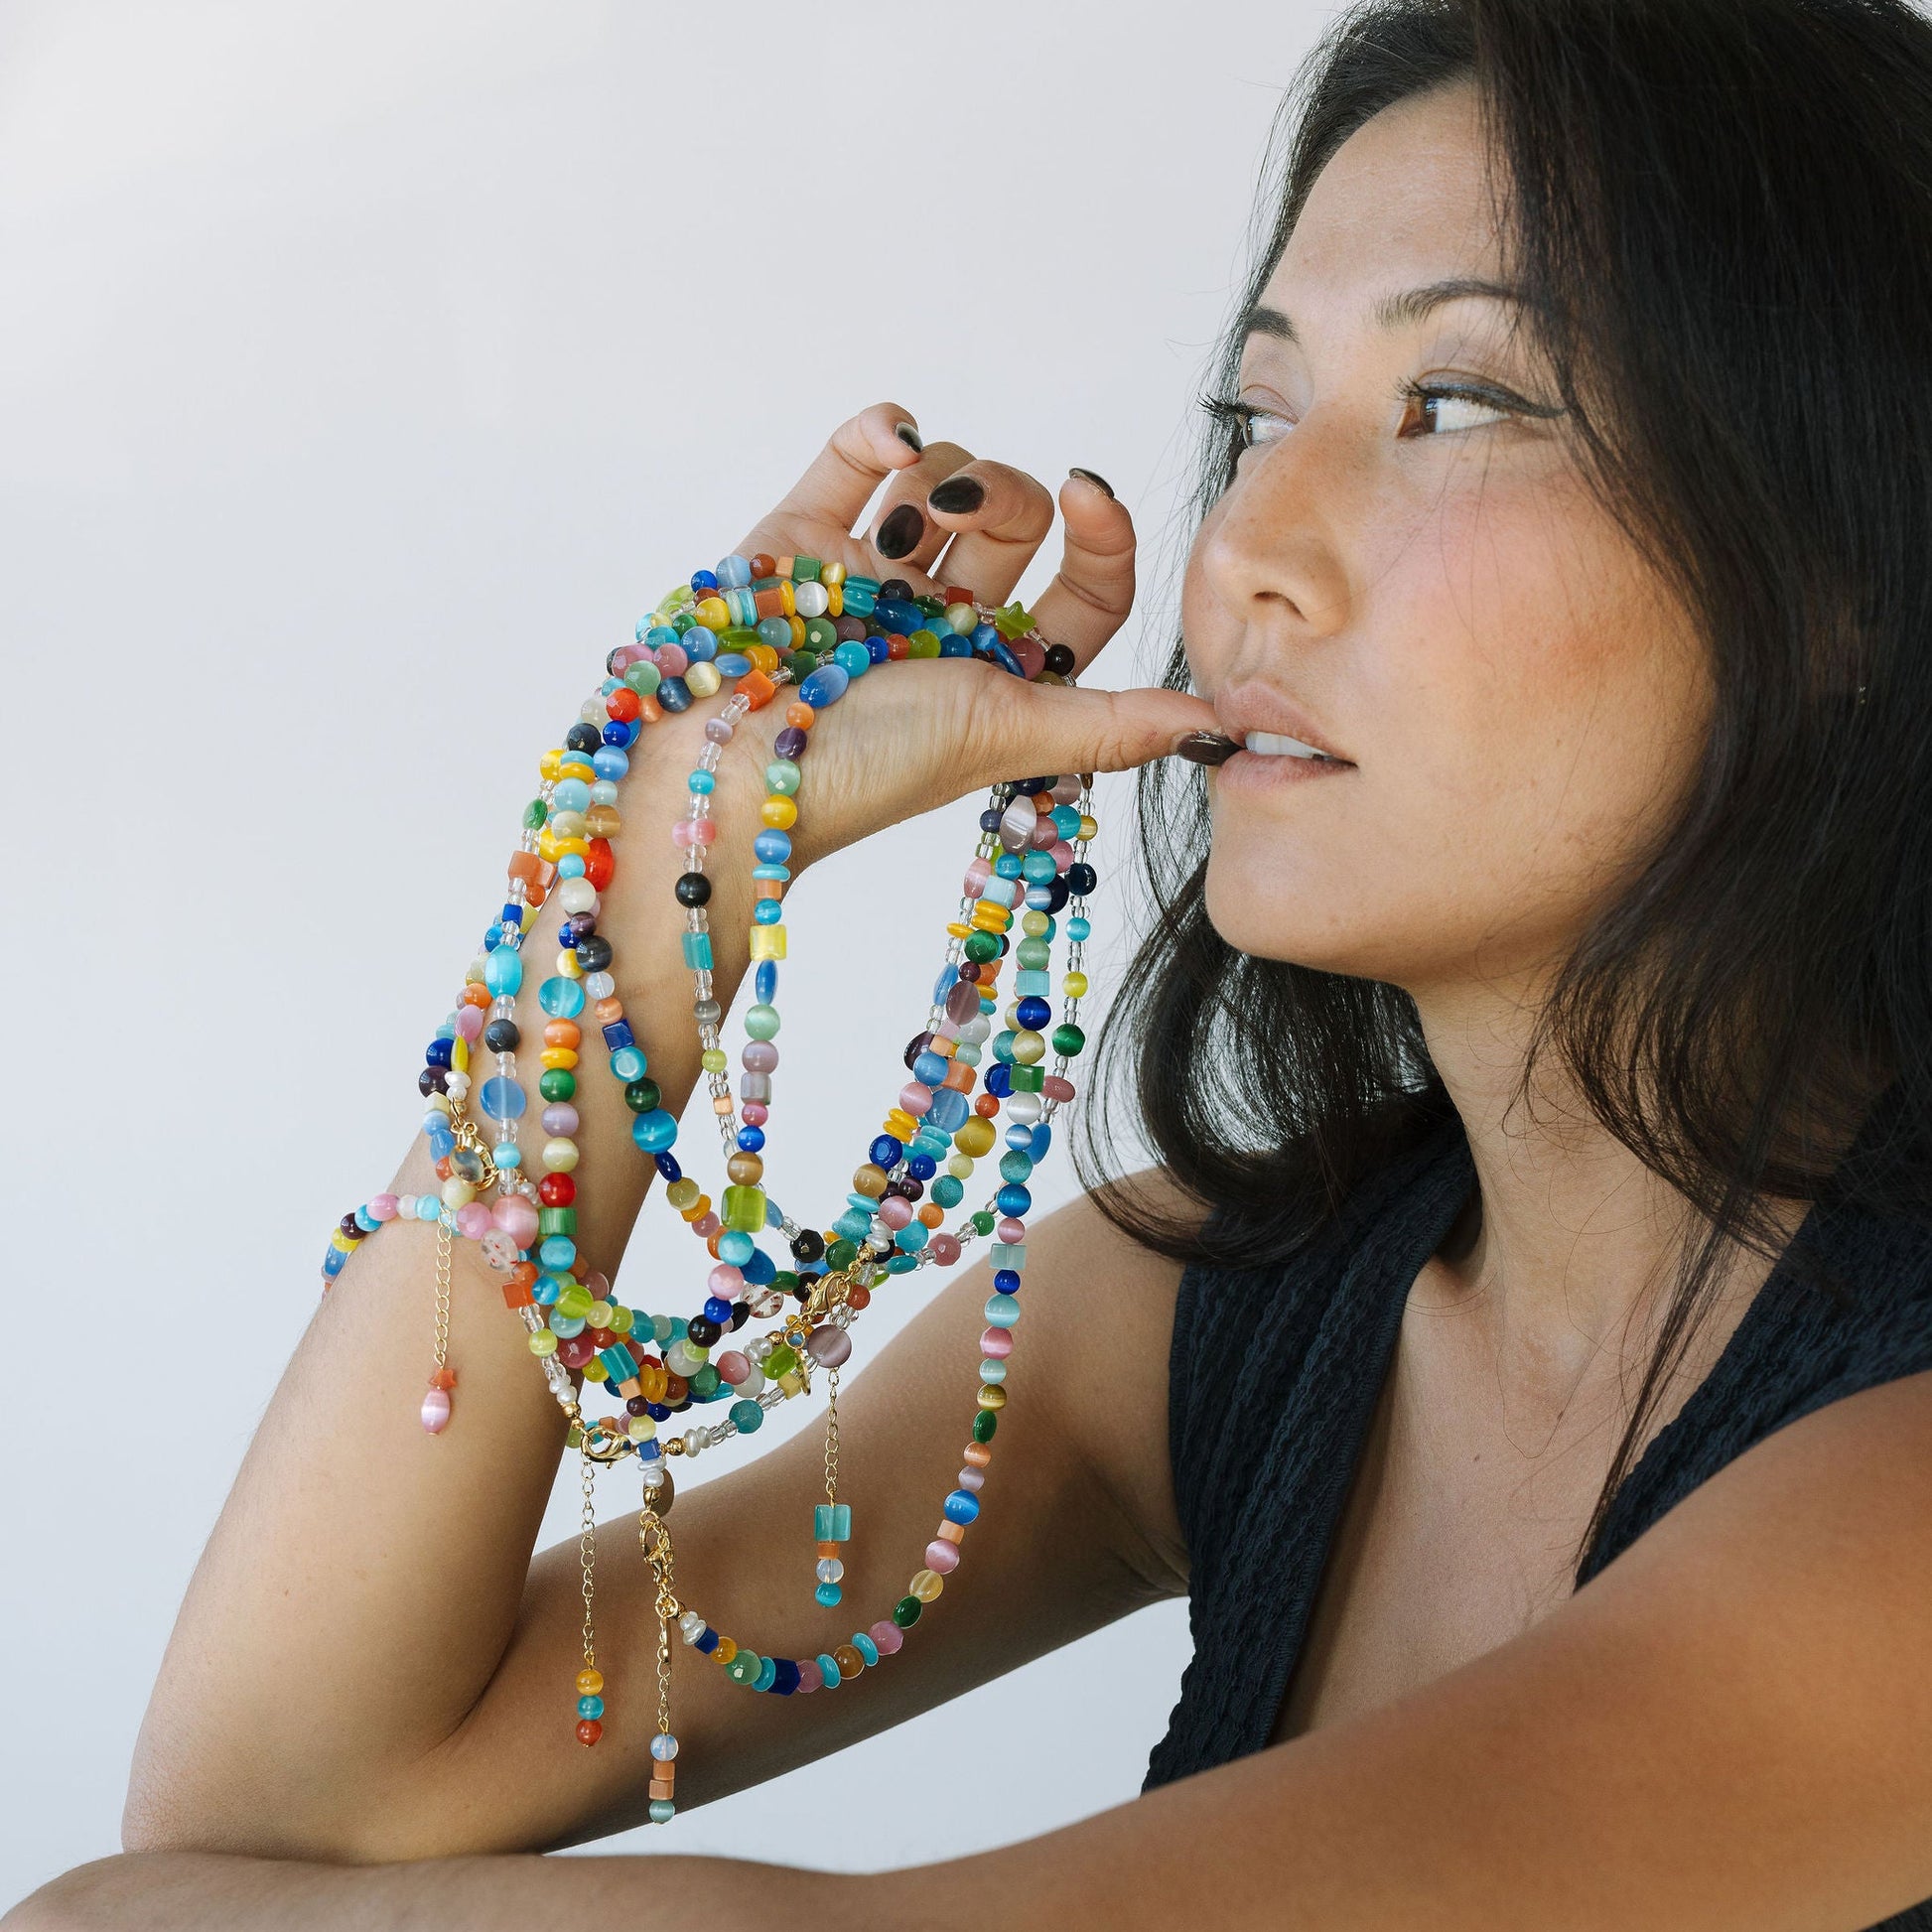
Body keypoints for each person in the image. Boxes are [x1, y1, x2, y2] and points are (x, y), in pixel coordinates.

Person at [15, 0, 1932, 1924]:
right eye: (1257, 417)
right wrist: (661, 861)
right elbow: (283, 1790)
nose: (1250, 547)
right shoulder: (1223, 1308)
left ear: (1849, 559)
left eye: (1458, 406)